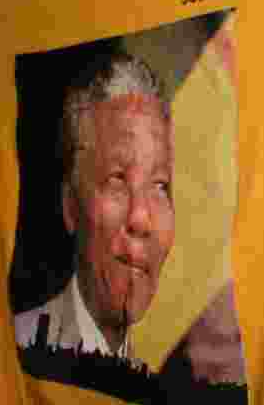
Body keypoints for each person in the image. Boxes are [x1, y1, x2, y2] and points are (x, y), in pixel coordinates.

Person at [15, 53, 175, 359]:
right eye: (117, 179)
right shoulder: (11, 353)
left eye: (160, 185)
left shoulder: (161, 390)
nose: (142, 219)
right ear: (70, 206)